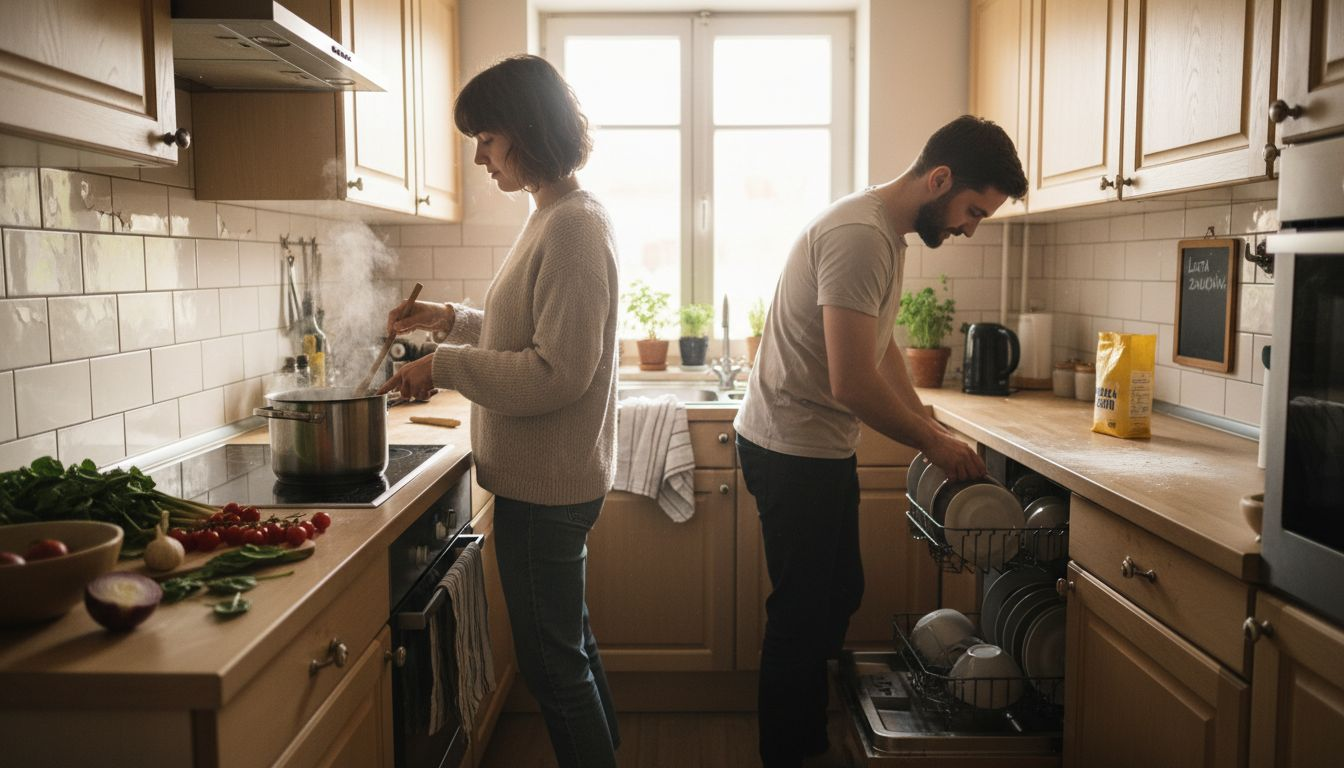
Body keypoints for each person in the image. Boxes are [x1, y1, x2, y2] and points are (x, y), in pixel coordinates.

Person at [733, 115, 1028, 767]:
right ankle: (793, 753)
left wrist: (923, 412)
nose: (969, 227)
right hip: (791, 447)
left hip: (812, 445)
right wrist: (932, 441)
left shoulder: (883, 231)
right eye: (973, 211)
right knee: (803, 615)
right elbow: (852, 383)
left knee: (838, 594)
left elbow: (880, 344)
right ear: (940, 179)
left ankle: (809, 734)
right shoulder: (861, 237)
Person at [378, 54, 620, 768]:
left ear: (525, 129)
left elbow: (556, 373)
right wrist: (447, 319)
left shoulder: (573, 225)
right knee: (567, 646)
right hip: (544, 483)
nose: (479, 157)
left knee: (552, 666)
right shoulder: (553, 215)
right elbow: (528, 332)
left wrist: (441, 366)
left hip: (549, 490)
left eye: (486, 138)